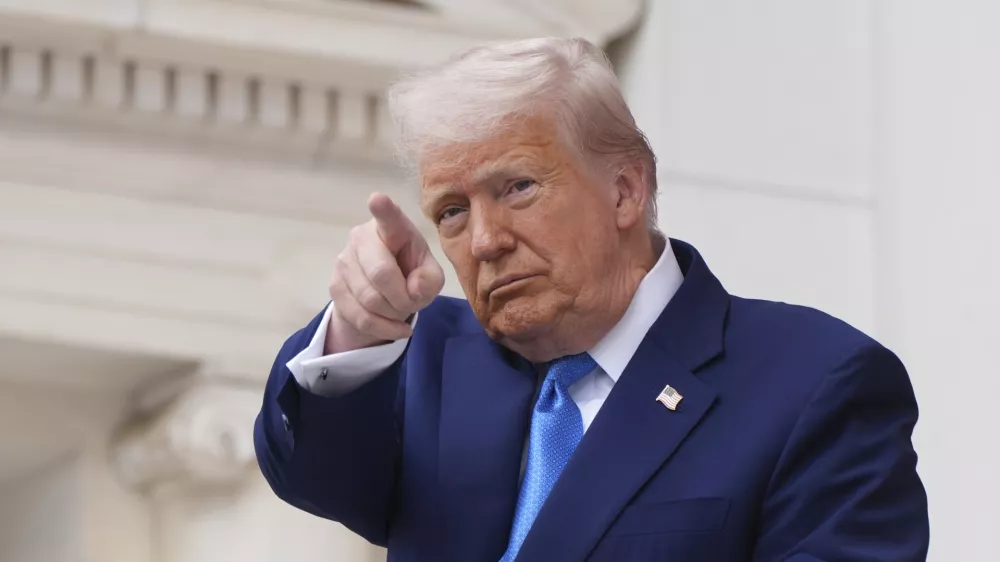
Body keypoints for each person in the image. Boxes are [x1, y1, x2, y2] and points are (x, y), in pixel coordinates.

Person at [254, 38, 929, 561]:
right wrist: (357, 329)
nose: (485, 240)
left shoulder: (813, 383)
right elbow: (306, 470)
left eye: (517, 187)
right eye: (452, 210)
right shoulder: (426, 356)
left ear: (626, 190)